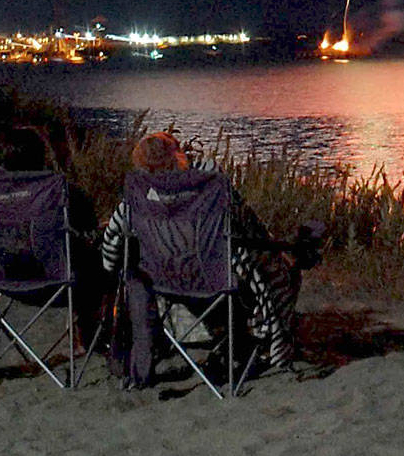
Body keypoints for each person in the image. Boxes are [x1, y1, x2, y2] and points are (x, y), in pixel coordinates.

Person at [101, 132, 311, 372]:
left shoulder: (139, 198)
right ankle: (272, 344)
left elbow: (111, 246)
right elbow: (248, 227)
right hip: (214, 282)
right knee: (276, 271)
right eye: (180, 149)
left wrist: (113, 268)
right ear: (176, 156)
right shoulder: (210, 188)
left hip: (163, 285)